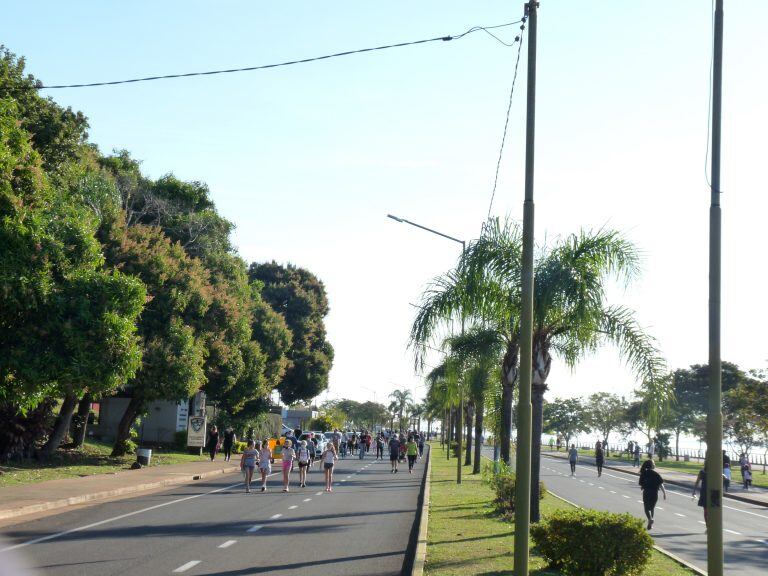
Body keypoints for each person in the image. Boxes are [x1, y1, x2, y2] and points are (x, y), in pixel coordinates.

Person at [639, 459, 666, 529]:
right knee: (652, 508)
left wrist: (643, 486)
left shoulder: (643, 473)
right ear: (651, 465)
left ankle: (650, 519)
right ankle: (651, 522)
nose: (655, 464)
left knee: (646, 508)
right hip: (654, 493)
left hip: (646, 492)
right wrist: (664, 493)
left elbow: (641, 483)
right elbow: (661, 484)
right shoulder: (656, 474)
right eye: (654, 463)